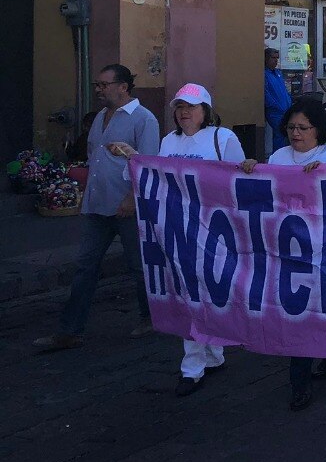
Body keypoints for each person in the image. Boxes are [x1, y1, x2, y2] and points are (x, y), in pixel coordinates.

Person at [110, 83, 245, 395]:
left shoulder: (222, 138)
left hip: (214, 229)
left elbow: (238, 179)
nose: (184, 113)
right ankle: (199, 361)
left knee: (206, 291)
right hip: (177, 227)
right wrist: (132, 159)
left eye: (191, 107)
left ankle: (203, 359)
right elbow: (157, 176)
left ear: (205, 111)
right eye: (180, 108)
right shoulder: (170, 139)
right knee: (189, 291)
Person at [34, 65, 160, 353]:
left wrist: (132, 197)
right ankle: (70, 330)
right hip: (96, 205)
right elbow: (96, 159)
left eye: (104, 84)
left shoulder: (144, 120)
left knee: (138, 267)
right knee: (84, 267)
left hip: (128, 206)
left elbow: (147, 165)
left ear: (123, 86)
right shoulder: (101, 117)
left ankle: (151, 316)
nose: (99, 89)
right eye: (98, 85)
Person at [239, 99, 326, 411]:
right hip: (287, 252)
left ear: (318, 130)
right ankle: (299, 384)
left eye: (303, 128)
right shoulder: (278, 156)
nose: (296, 133)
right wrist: (251, 170)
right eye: (291, 128)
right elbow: (264, 190)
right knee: (298, 315)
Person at [264, 47, 292, 152]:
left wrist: (289, 101)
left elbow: (284, 90)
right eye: (273, 57)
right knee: (280, 135)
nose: (276, 60)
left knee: (286, 136)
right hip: (275, 113)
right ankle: (277, 159)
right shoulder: (264, 74)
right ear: (266, 58)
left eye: (277, 58)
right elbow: (265, 94)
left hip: (286, 111)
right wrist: (275, 106)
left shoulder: (278, 73)